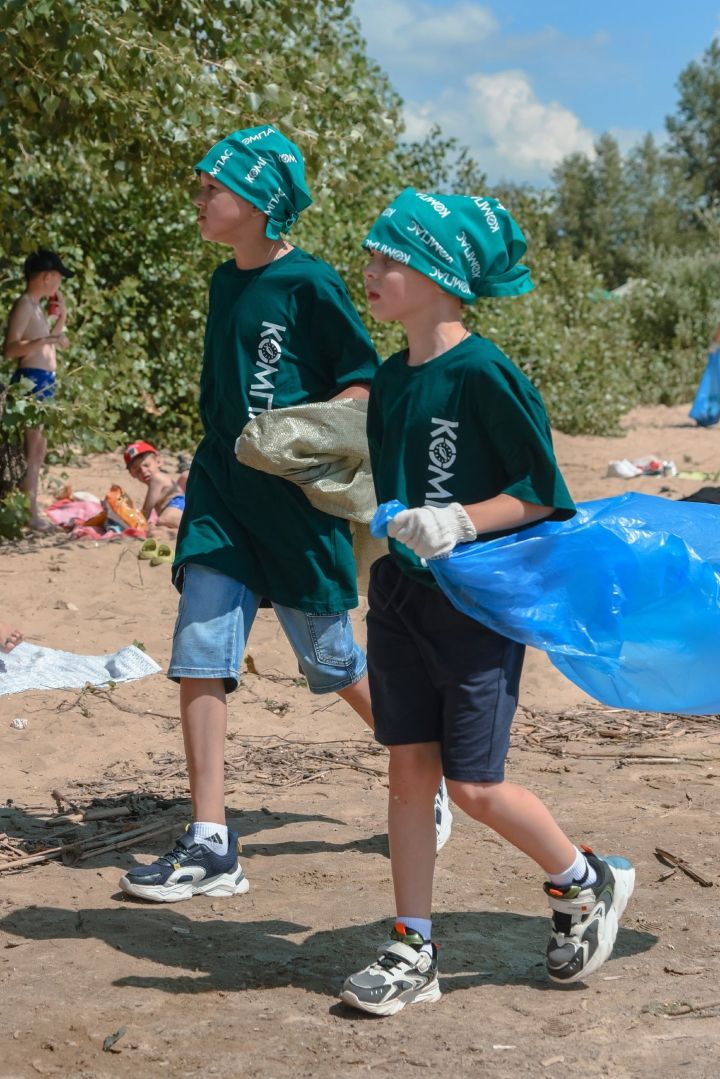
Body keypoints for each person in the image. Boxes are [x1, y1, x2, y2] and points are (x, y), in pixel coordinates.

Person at [118, 125, 451, 904]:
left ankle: (420, 764)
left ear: (260, 200)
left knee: (331, 659)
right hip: (224, 499)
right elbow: (218, 402)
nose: (199, 198)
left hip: (296, 509)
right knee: (201, 644)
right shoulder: (220, 283)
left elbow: (363, 378)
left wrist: (307, 431)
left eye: (212, 186)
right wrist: (174, 478)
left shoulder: (309, 283)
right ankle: (209, 841)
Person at [340, 189, 635, 1015]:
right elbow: (393, 485)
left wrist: (462, 519)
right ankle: (412, 945)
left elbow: (543, 491)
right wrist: (380, 514)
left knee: (473, 786)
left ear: (438, 272)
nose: (370, 269)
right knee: (407, 772)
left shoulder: (486, 372)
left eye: (387, 258)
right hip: (398, 595)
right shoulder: (391, 376)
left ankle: (583, 879)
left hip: (474, 608)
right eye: (371, 254)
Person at [2, 250, 72, 530]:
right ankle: (29, 513)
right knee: (32, 448)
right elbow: (10, 349)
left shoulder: (36, 307)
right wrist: (47, 337)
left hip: (43, 379)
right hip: (31, 379)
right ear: (47, 277)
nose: (59, 285)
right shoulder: (24, 304)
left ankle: (28, 508)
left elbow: (43, 343)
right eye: (58, 278)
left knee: (39, 448)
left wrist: (61, 318)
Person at [124, 440, 185, 537]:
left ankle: (194, 530)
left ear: (158, 461)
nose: (143, 471)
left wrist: (136, 525)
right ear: (132, 474)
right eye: (137, 470)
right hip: (177, 507)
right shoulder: (155, 481)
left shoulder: (157, 478)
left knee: (164, 520)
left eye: (146, 465)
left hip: (178, 504)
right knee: (160, 527)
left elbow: (146, 511)